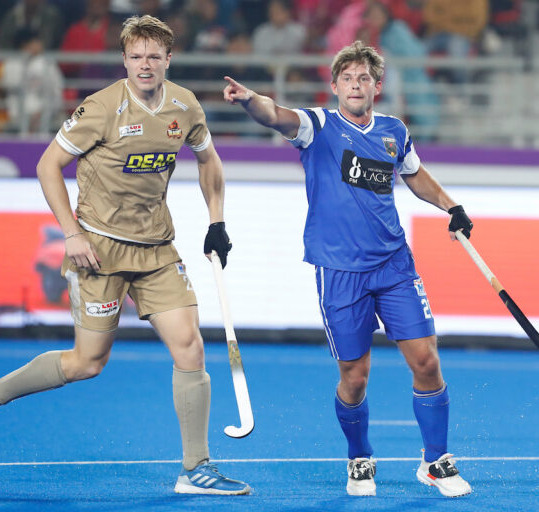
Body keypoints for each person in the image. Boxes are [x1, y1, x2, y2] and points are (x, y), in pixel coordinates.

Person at [0, 14, 251, 496]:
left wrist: (217, 220)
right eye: (136, 56)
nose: (145, 65)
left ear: (168, 59)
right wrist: (71, 234)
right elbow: (48, 165)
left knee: (190, 346)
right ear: (124, 59)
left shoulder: (186, 106)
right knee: (87, 362)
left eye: (154, 56)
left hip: (157, 248)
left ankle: (195, 469)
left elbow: (209, 160)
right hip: (98, 250)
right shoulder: (101, 108)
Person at [223, 40, 473, 497]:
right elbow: (276, 115)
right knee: (354, 377)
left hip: (395, 266)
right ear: (334, 84)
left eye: (364, 79)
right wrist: (249, 101)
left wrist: (450, 205)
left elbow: (414, 173)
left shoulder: (394, 130)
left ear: (377, 87)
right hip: (339, 273)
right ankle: (360, 457)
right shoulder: (318, 126)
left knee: (427, 361)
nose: (355, 85)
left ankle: (435, 460)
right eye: (347, 78)